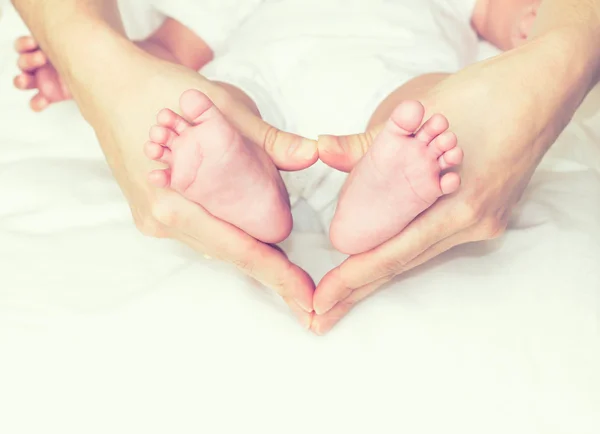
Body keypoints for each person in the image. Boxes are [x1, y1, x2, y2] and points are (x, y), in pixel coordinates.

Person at [10, 0, 600, 334]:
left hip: (389, 109)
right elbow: (167, 57)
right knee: (217, 101)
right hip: (265, 112)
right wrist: (89, 67)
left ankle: (375, 194)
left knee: (428, 105)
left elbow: (510, 21)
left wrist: (531, 25)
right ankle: (241, 176)